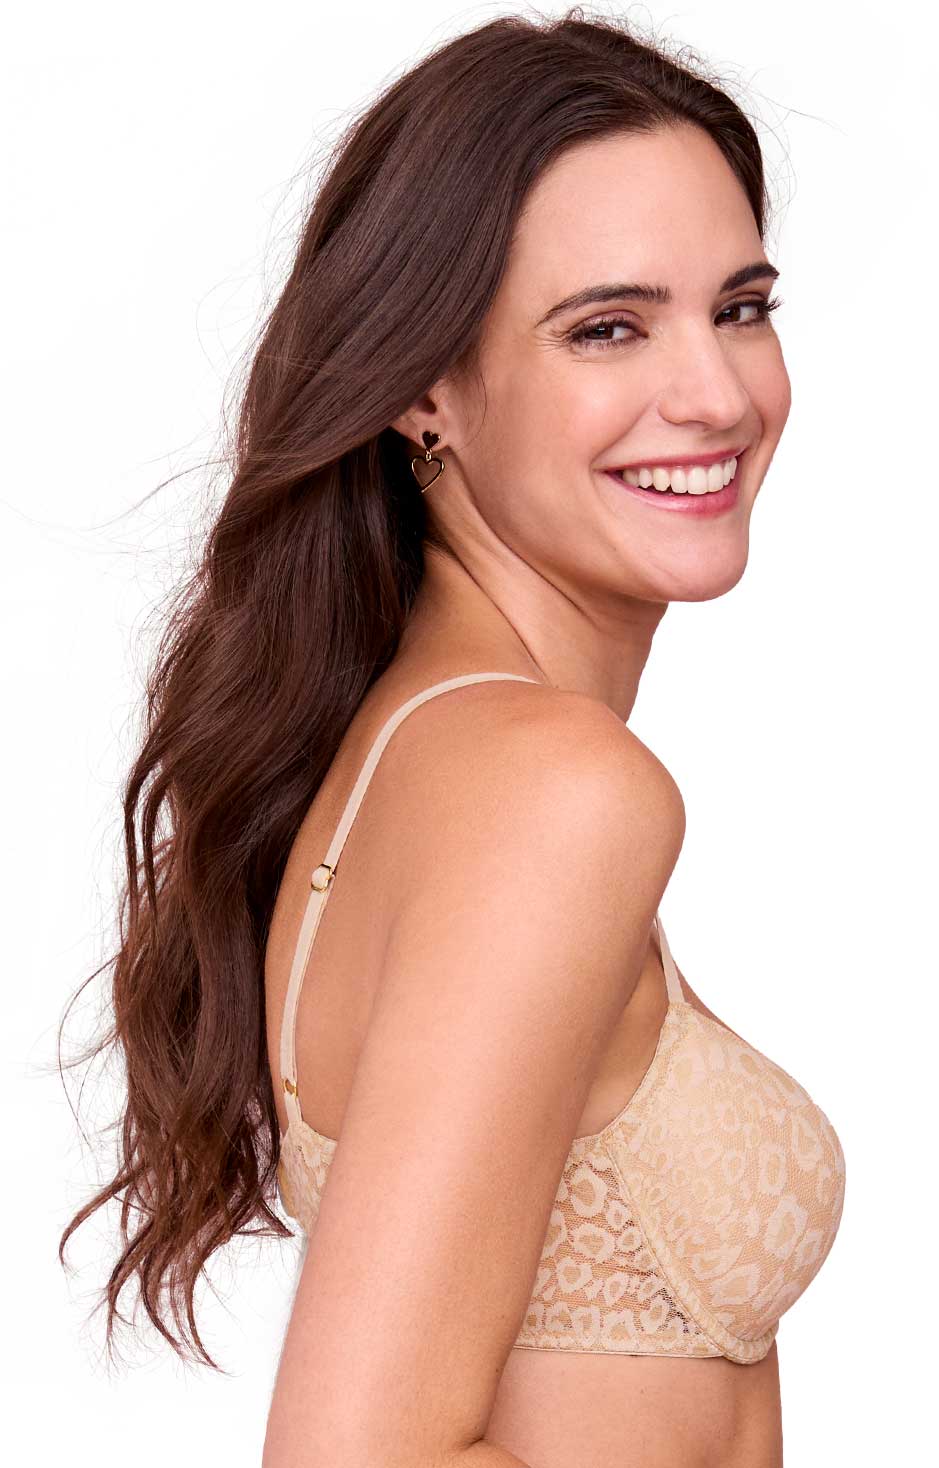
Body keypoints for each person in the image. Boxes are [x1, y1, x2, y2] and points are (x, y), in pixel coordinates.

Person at [59, 10, 845, 1466]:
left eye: (741, 307)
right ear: (425, 388)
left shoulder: (417, 751)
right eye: (607, 327)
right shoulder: (556, 792)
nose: (720, 394)